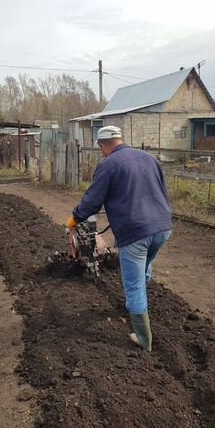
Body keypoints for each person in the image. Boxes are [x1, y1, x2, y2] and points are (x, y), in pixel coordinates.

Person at [66, 126, 172, 351]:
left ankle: (144, 339)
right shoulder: (148, 158)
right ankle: (137, 305)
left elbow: (92, 201)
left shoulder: (108, 165)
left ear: (103, 145)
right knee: (145, 266)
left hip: (136, 232)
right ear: (120, 139)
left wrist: (74, 219)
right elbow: (162, 191)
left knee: (133, 285)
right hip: (162, 227)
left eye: (101, 148)